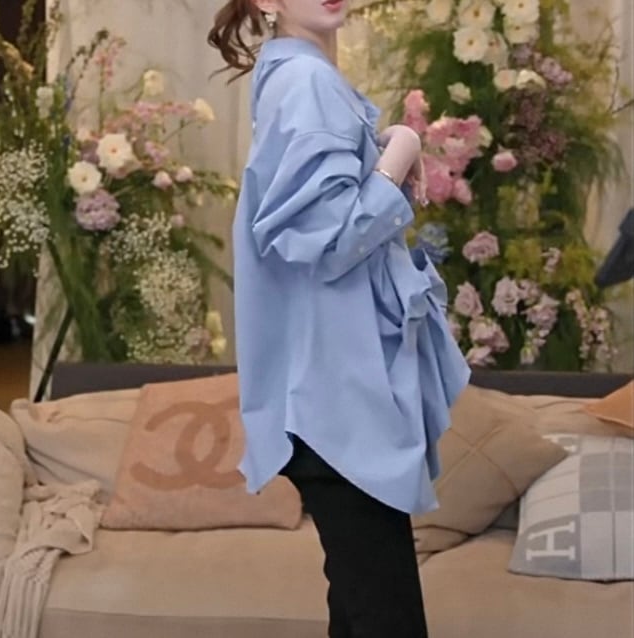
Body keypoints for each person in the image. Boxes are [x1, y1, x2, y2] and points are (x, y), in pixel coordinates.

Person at [208, 2, 471, 636]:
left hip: (329, 398)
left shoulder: (296, 77)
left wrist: (383, 152)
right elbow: (328, 239)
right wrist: (401, 150)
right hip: (336, 403)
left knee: (360, 615)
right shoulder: (306, 81)